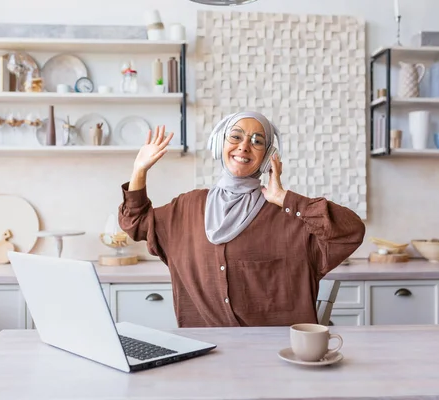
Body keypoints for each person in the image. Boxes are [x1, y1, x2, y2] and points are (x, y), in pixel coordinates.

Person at [118, 111, 365, 328]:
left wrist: (284, 198)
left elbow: (350, 231)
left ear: (268, 156)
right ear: (219, 144)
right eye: (235, 136)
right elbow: (136, 222)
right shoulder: (186, 208)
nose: (244, 146)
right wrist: (139, 170)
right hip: (206, 359)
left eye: (257, 141)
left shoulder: (290, 216)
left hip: (278, 362)